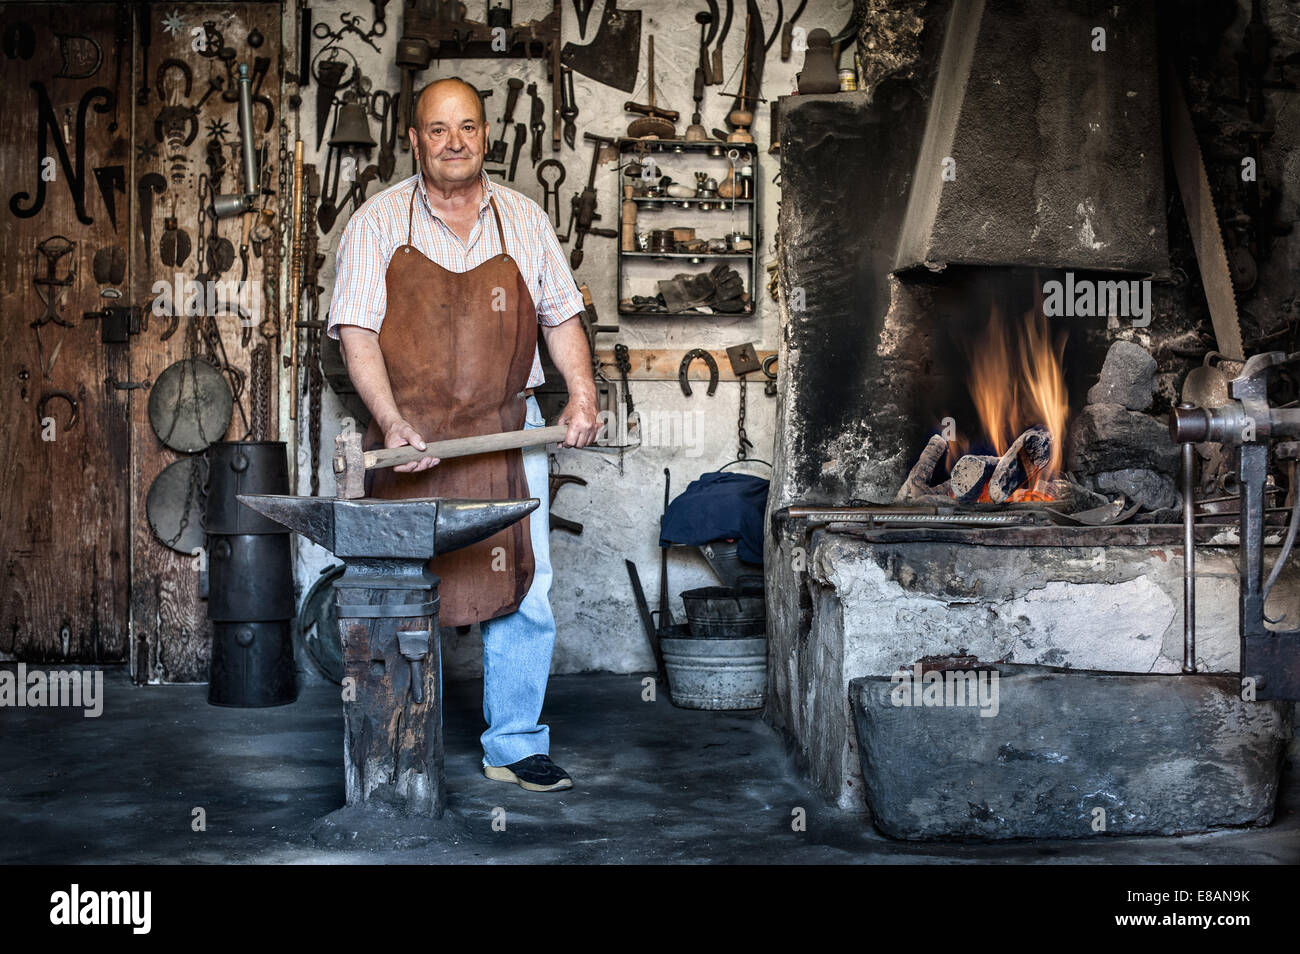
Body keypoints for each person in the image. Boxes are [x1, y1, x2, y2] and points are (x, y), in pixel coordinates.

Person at [328, 76, 601, 793]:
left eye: (468, 127)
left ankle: (513, 744)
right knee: (399, 588)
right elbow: (356, 334)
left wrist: (582, 394)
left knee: (522, 584)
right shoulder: (377, 222)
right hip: (409, 438)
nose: (455, 142)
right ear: (413, 139)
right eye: (438, 129)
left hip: (507, 434)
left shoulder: (524, 219)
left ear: (486, 136)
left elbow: (561, 316)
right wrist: (390, 421)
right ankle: (394, 740)